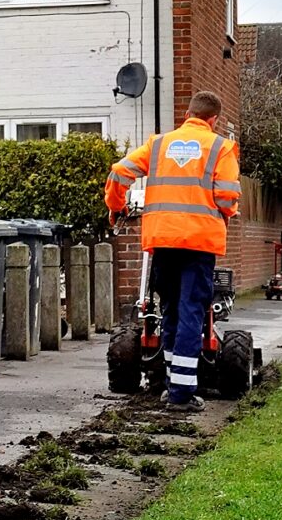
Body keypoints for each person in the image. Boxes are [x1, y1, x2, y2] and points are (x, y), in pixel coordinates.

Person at [104, 92, 243, 410]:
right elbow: (226, 197)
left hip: (162, 240)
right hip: (199, 243)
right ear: (213, 120)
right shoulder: (220, 148)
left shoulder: (157, 145)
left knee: (169, 310)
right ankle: (181, 394)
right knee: (193, 312)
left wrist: (116, 206)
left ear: (188, 114)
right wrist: (225, 214)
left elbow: (118, 172)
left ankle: (169, 383)